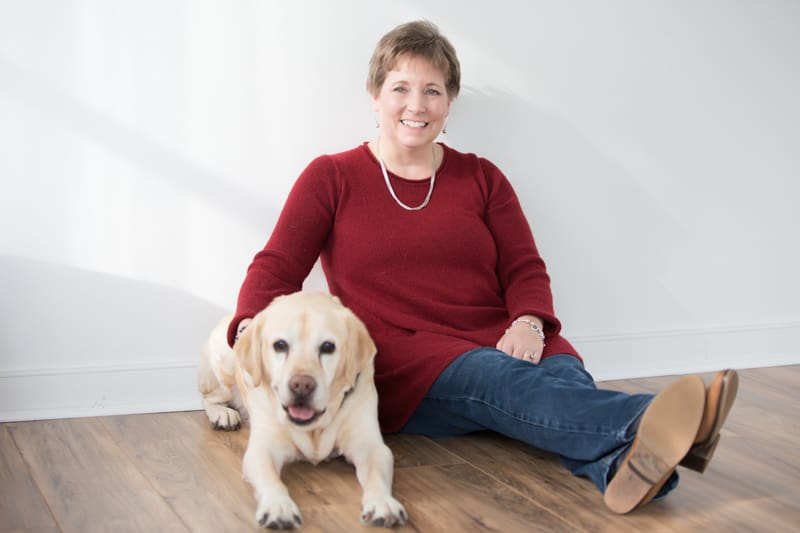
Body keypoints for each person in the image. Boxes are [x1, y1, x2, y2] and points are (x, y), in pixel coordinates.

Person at [227, 20, 738, 514]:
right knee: (501, 382)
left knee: (561, 376)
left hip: (501, 333)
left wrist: (529, 322)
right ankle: (658, 420)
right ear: (375, 95)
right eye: (400, 87)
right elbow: (276, 266)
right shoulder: (332, 177)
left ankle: (622, 468)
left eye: (432, 90)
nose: (416, 105)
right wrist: (249, 327)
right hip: (406, 357)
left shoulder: (482, 177)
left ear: (449, 103)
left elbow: (524, 267)